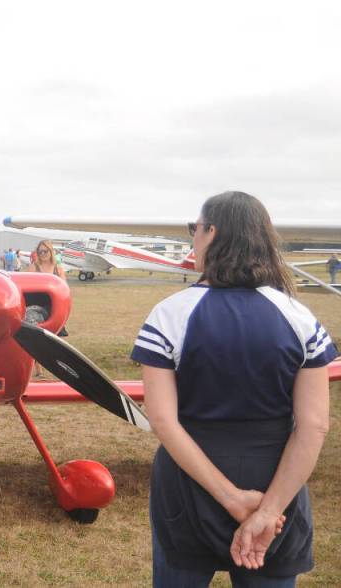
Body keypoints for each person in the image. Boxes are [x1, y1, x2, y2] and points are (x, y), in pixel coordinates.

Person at [131, 191, 334, 586]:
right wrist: (267, 510)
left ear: (212, 233)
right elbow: (314, 427)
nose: (193, 238)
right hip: (276, 481)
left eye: (195, 228)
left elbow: (163, 420)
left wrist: (230, 498)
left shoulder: (170, 314)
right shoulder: (300, 317)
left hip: (189, 479)